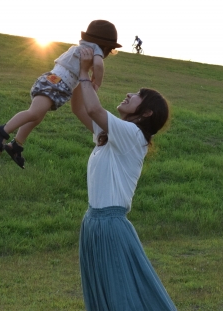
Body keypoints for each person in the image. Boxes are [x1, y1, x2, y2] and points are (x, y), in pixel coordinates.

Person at [71, 46, 177, 311]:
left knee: (121, 296)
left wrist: (86, 73)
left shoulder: (133, 135)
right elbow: (79, 108)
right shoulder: (112, 135)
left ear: (147, 113)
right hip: (93, 222)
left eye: (139, 96)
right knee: (104, 295)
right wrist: (82, 79)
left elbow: (94, 110)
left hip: (111, 225)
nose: (130, 94)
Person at [0, 20, 122, 169]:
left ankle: (15, 145)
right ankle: (1, 131)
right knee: (34, 113)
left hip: (52, 82)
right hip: (55, 84)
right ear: (106, 47)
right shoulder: (95, 48)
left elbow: (78, 102)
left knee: (37, 116)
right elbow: (98, 65)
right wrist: (97, 81)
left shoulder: (80, 50)